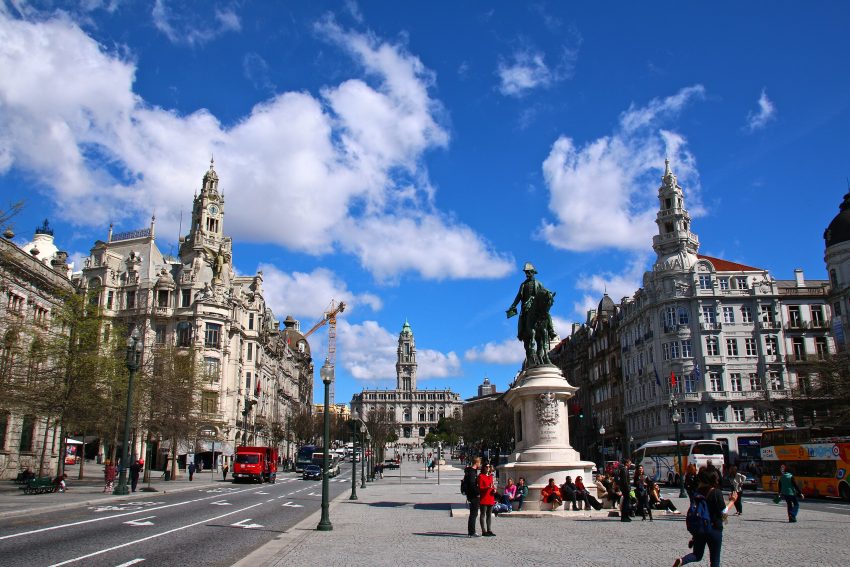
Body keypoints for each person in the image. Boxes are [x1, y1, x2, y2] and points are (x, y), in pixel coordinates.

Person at [672, 470, 738, 567]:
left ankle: (682, 561)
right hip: (714, 529)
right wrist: (732, 501)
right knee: (715, 561)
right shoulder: (716, 492)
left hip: (700, 529)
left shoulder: (697, 493)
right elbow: (723, 513)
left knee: (697, 555)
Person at [463, 457, 481, 537]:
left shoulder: (470, 471)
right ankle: (472, 532)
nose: (480, 464)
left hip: (470, 494)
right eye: (479, 462)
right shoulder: (472, 472)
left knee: (473, 514)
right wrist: (477, 493)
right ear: (477, 462)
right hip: (473, 495)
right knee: (474, 514)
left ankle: (471, 531)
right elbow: (472, 484)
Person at [478, 464, 497, 536]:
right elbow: (480, 488)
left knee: (489, 514)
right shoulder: (480, 476)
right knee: (483, 514)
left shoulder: (491, 476)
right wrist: (487, 488)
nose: (488, 468)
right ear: (484, 467)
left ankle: (489, 529)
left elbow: (492, 485)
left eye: (489, 467)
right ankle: (483, 530)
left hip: (490, 497)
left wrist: (494, 490)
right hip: (484, 498)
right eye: (487, 467)